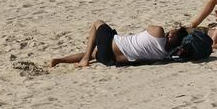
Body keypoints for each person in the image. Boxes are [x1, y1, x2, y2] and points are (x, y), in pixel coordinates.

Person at [48, 20, 185, 68]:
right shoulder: (163, 55)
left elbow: (149, 27)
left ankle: (84, 59)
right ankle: (60, 60)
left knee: (97, 23)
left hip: (112, 44)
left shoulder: (159, 32)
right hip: (110, 60)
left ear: (173, 35)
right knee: (95, 54)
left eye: (174, 30)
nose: (172, 30)